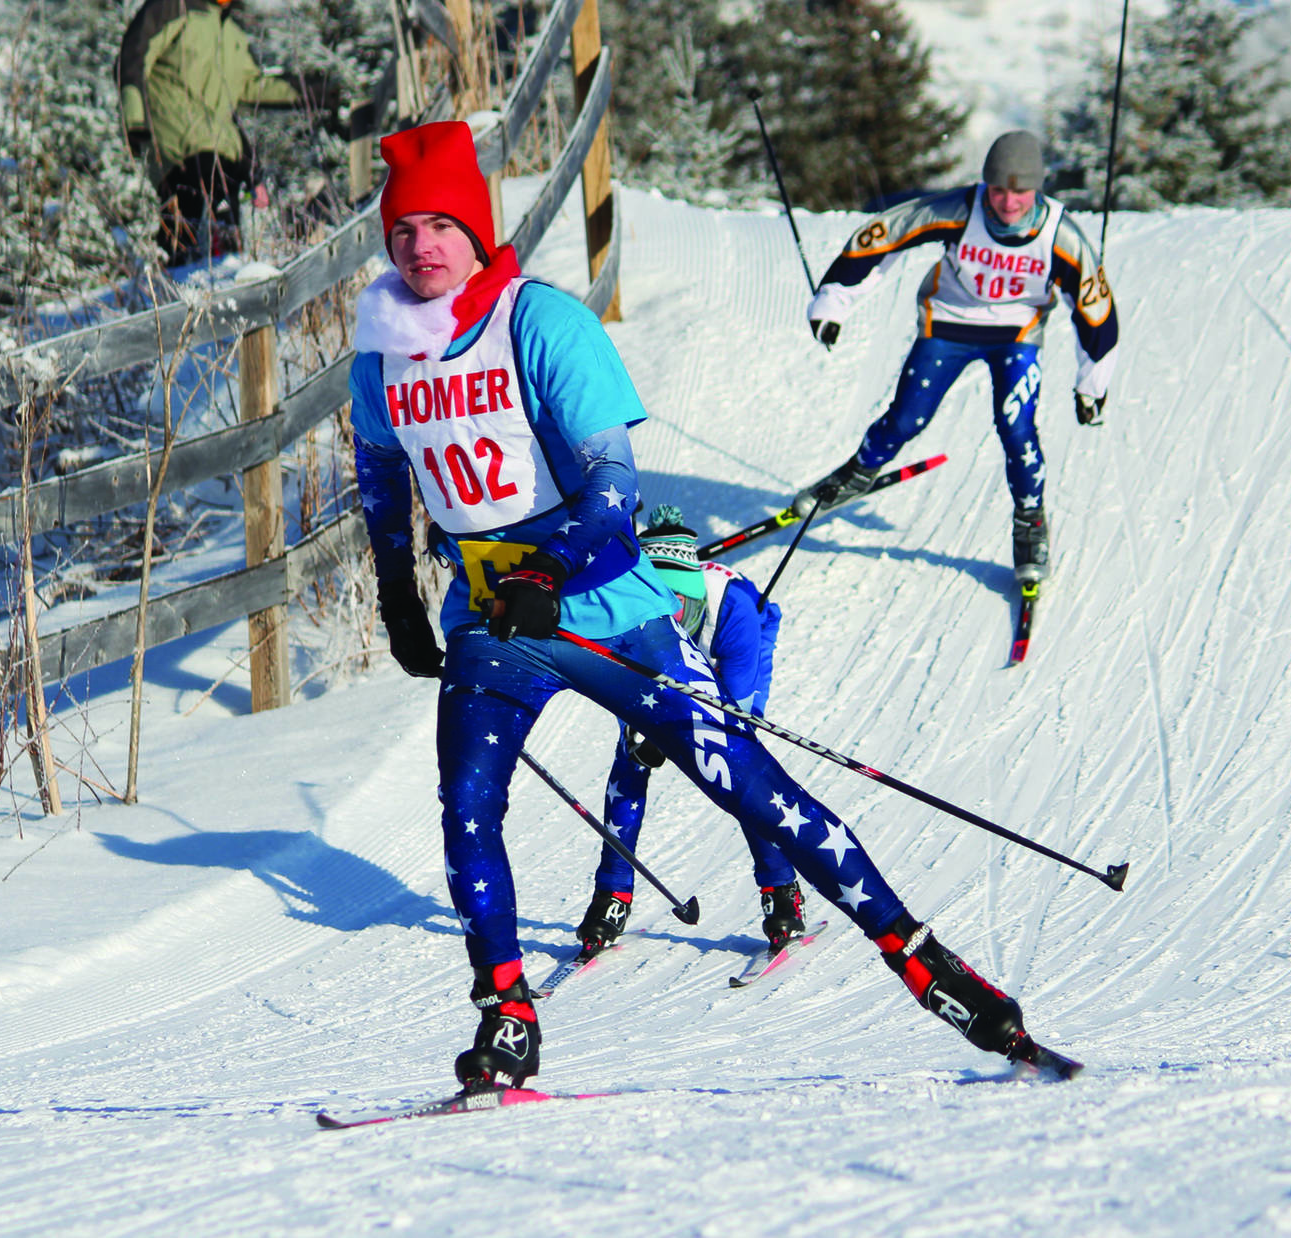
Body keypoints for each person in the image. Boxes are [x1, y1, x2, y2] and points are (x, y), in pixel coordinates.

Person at [349, 119, 1061, 1092]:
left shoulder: (540, 323)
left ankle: (918, 955)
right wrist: (396, 592)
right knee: (465, 811)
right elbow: (380, 474)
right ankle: (506, 1015)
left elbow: (611, 493)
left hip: (606, 610)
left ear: (477, 231)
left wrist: (544, 572)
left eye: (442, 224)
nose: (422, 245)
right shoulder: (382, 349)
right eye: (404, 230)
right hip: (495, 626)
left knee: (747, 785)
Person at [795, 130, 1119, 585]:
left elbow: (1095, 311)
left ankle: (1030, 522)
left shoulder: (1060, 236)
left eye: (1021, 192)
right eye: (1000, 190)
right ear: (987, 183)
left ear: (1038, 189)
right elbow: (883, 236)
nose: (1008, 203)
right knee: (907, 419)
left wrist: (1092, 384)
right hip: (947, 324)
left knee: (1016, 426)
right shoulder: (958, 209)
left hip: (1017, 334)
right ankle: (858, 473)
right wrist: (834, 300)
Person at [574, 506, 807, 961]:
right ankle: (613, 894)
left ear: (696, 596)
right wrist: (641, 735)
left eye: (683, 608)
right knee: (630, 764)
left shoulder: (733, 608)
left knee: (738, 764)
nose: (675, 619)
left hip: (732, 654)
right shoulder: (630, 613)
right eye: (665, 609)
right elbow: (626, 687)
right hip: (653, 661)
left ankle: (781, 889)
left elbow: (730, 713)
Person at [115, 0, 332, 264]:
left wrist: (313, 92)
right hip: (175, 139)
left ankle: (216, 285)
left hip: (218, 141)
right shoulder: (171, 5)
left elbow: (250, 86)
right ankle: (179, 288)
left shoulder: (230, 30)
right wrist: (135, 122)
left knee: (222, 224)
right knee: (189, 214)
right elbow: (133, 56)